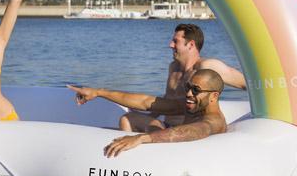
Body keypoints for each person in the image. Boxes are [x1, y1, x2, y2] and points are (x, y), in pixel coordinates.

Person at [68, 22, 245, 132]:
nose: (170, 45)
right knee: (128, 119)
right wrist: (148, 112)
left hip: (191, 130)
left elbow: (245, 82)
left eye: (175, 41)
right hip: (167, 126)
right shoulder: (173, 68)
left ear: (190, 44)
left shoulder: (207, 67)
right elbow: (166, 102)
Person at [103, 69, 227, 157]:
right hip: (173, 145)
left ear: (214, 96)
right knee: (129, 118)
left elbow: (195, 130)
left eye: (196, 90)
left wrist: (140, 138)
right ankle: (123, 155)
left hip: (186, 161)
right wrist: (100, 93)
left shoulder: (214, 121)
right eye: (188, 87)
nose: (189, 93)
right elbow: (145, 102)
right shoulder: (194, 106)